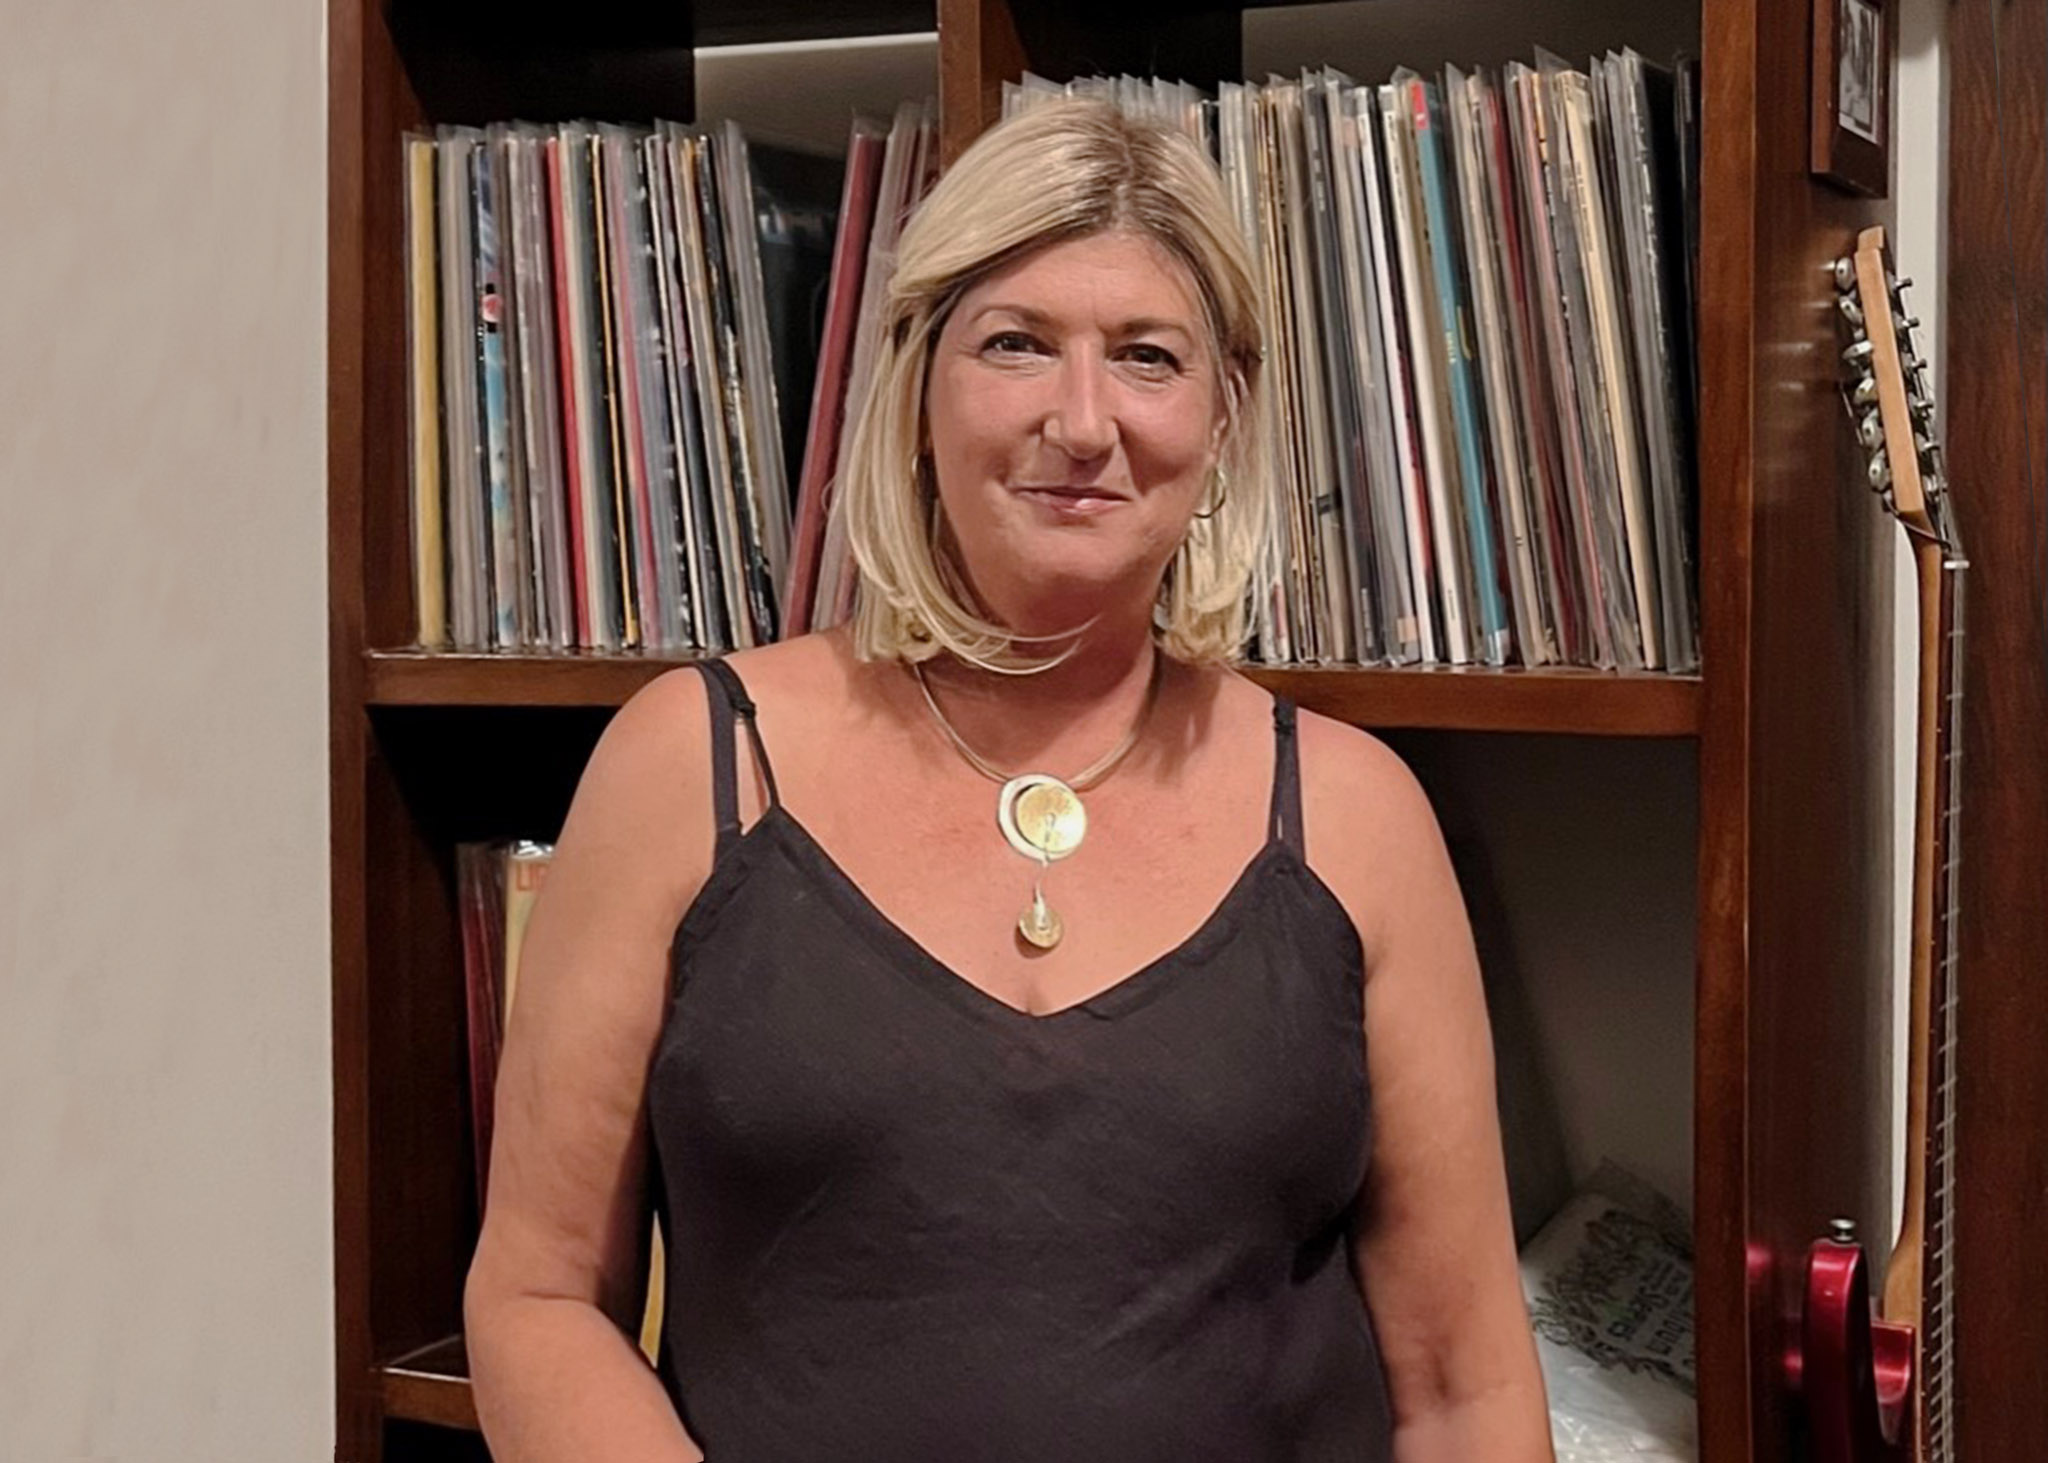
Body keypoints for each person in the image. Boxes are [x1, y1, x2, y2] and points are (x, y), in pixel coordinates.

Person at [463, 98, 1552, 1462]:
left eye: (1147, 357)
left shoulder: (1356, 814)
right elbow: (539, 1296)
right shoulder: (693, 763)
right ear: (920, 389)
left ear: (1223, 415)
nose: (1081, 422)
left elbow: (1465, 1388)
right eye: (1017, 345)